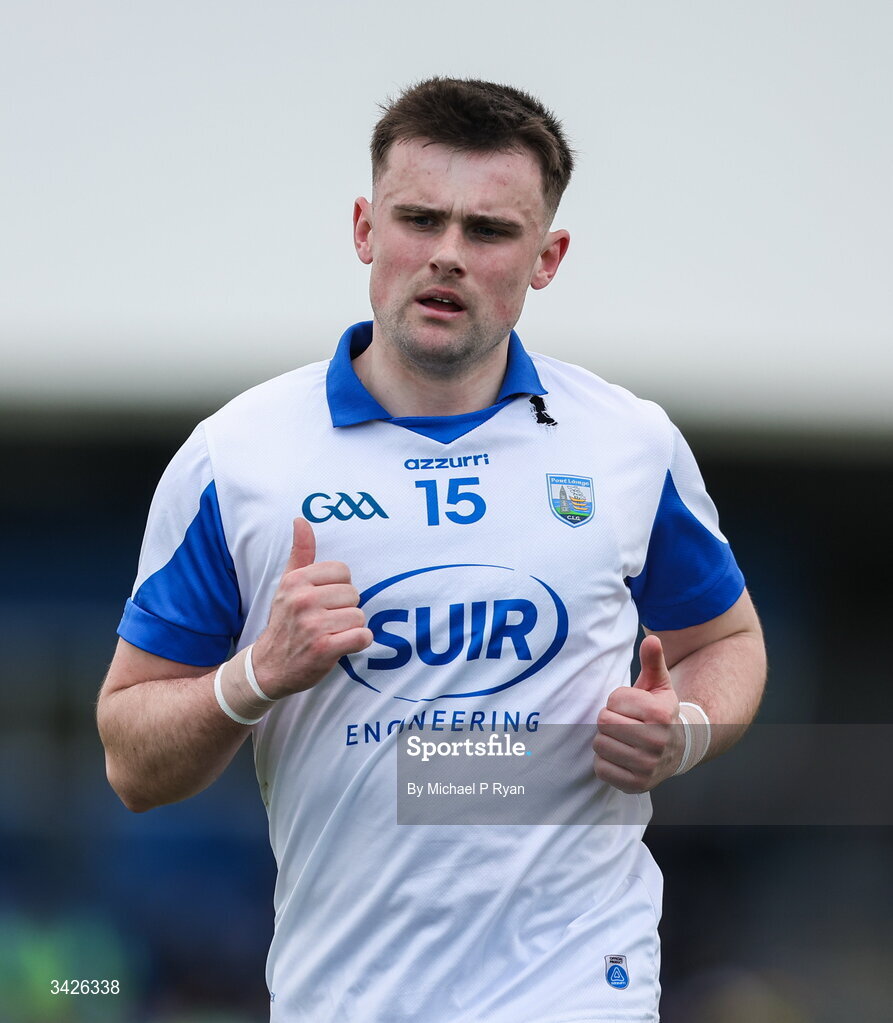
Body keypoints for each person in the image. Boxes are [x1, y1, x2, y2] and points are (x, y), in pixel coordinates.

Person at [97, 78, 766, 1022]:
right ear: (366, 228)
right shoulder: (237, 456)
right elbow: (131, 760)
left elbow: (728, 644)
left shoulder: (628, 443)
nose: (446, 255)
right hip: (348, 993)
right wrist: (256, 674)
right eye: (419, 218)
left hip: (581, 981)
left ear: (547, 255)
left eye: (489, 231)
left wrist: (682, 732)